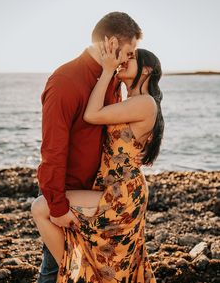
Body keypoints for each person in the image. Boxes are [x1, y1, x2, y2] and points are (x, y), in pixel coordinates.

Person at [32, 42, 164, 282]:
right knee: (106, 257)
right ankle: (80, 271)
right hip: (114, 189)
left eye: (131, 57)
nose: (124, 61)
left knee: (40, 208)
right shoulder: (126, 100)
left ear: (146, 70)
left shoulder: (146, 103)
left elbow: (92, 115)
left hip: (122, 194)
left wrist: (105, 70)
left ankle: (80, 274)